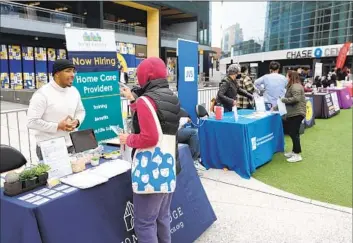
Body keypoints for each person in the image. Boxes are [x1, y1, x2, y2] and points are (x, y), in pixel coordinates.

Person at [119, 57, 180, 243]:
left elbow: (150, 137)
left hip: (150, 169)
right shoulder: (171, 96)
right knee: (162, 218)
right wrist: (134, 101)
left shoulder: (146, 100)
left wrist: (127, 139)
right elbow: (159, 121)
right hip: (168, 166)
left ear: (146, 75)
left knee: (145, 223)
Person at [27, 59, 85, 160]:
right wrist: (57, 126)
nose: (72, 74)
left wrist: (77, 121)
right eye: (68, 71)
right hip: (50, 148)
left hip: (71, 144)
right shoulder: (42, 94)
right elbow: (31, 122)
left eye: (73, 71)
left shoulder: (74, 91)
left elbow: (81, 111)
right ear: (57, 74)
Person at [273, 71, 306, 163]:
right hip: (294, 113)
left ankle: (297, 154)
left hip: (297, 113)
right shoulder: (293, 86)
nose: (286, 78)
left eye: (287, 76)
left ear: (290, 77)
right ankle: (294, 151)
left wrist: (284, 100)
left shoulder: (295, 86)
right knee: (293, 133)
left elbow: (296, 99)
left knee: (294, 133)